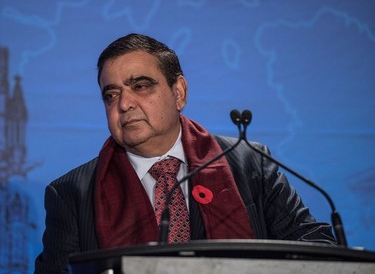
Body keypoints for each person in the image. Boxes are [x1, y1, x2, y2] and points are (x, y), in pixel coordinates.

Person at [34, 33, 336, 273]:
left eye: (140, 86)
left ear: (179, 93)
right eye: (111, 94)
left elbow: (317, 248)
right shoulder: (71, 193)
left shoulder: (251, 164)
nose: (123, 104)